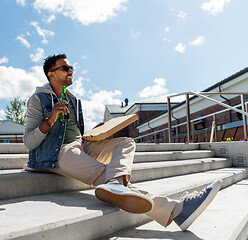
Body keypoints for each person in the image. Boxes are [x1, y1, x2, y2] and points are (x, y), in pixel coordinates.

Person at [23, 53, 223, 231]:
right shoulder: (38, 100)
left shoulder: (74, 100)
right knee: (106, 175)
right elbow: (29, 142)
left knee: (126, 143)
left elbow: (73, 133)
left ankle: (118, 185)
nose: (71, 71)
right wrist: (50, 119)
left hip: (81, 145)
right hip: (57, 153)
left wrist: (98, 132)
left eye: (71, 67)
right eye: (65, 68)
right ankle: (176, 209)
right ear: (51, 74)